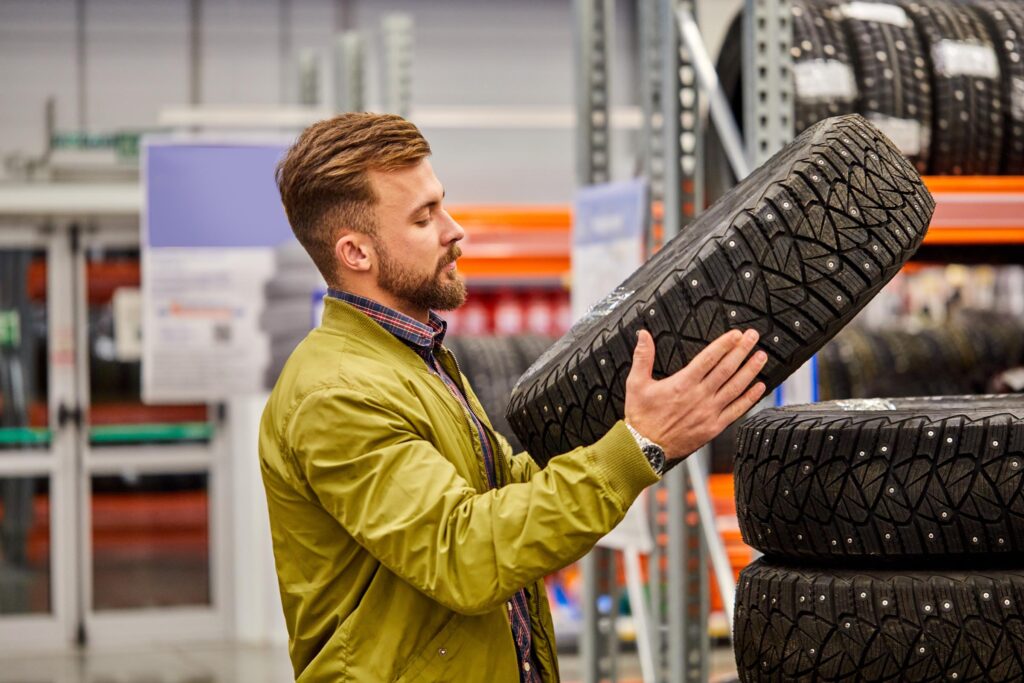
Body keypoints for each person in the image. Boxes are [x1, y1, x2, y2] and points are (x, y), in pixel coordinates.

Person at [260, 112, 767, 682]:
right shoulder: (337, 394)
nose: (455, 231)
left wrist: (633, 428)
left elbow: (495, 497)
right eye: (424, 218)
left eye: (441, 204)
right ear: (356, 253)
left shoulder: (413, 358)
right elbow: (464, 554)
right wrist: (636, 449)